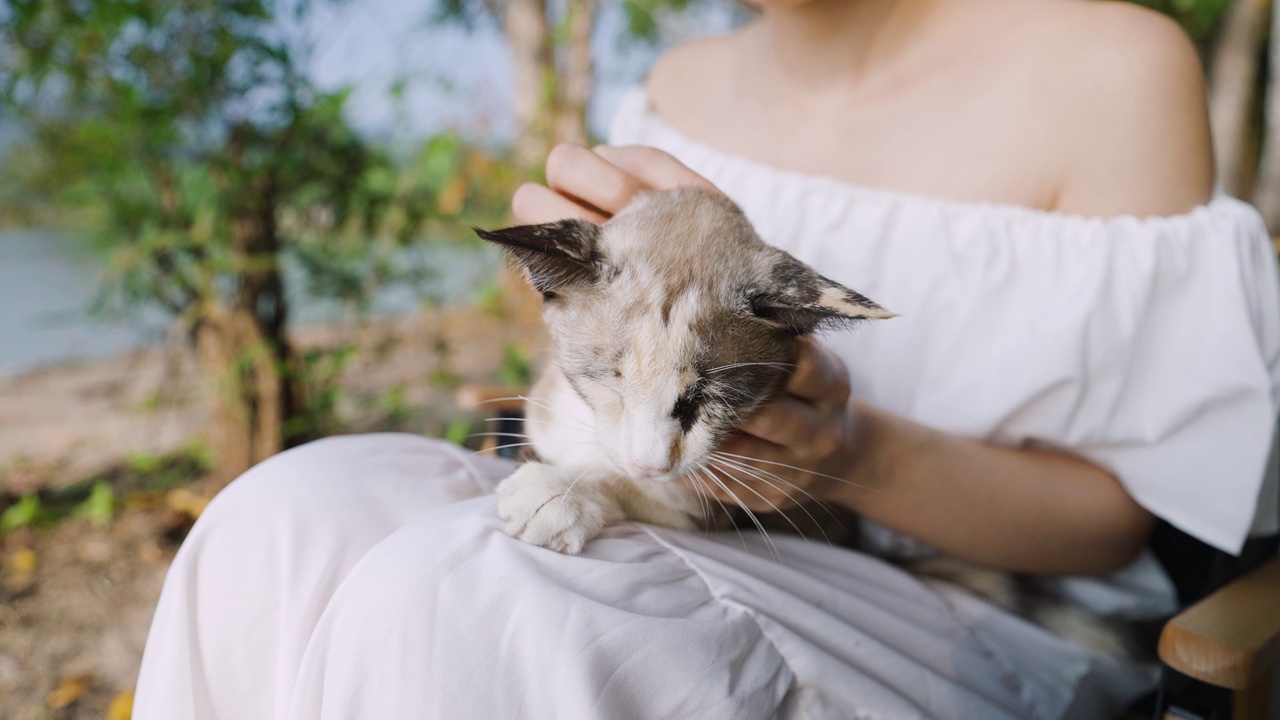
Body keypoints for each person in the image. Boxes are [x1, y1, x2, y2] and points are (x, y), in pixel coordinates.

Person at [133, 0, 1280, 718]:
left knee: (462, 603)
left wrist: (846, 447)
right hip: (691, 519)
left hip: (985, 606)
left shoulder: (1112, 66)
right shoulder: (674, 82)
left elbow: (1115, 525)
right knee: (280, 514)